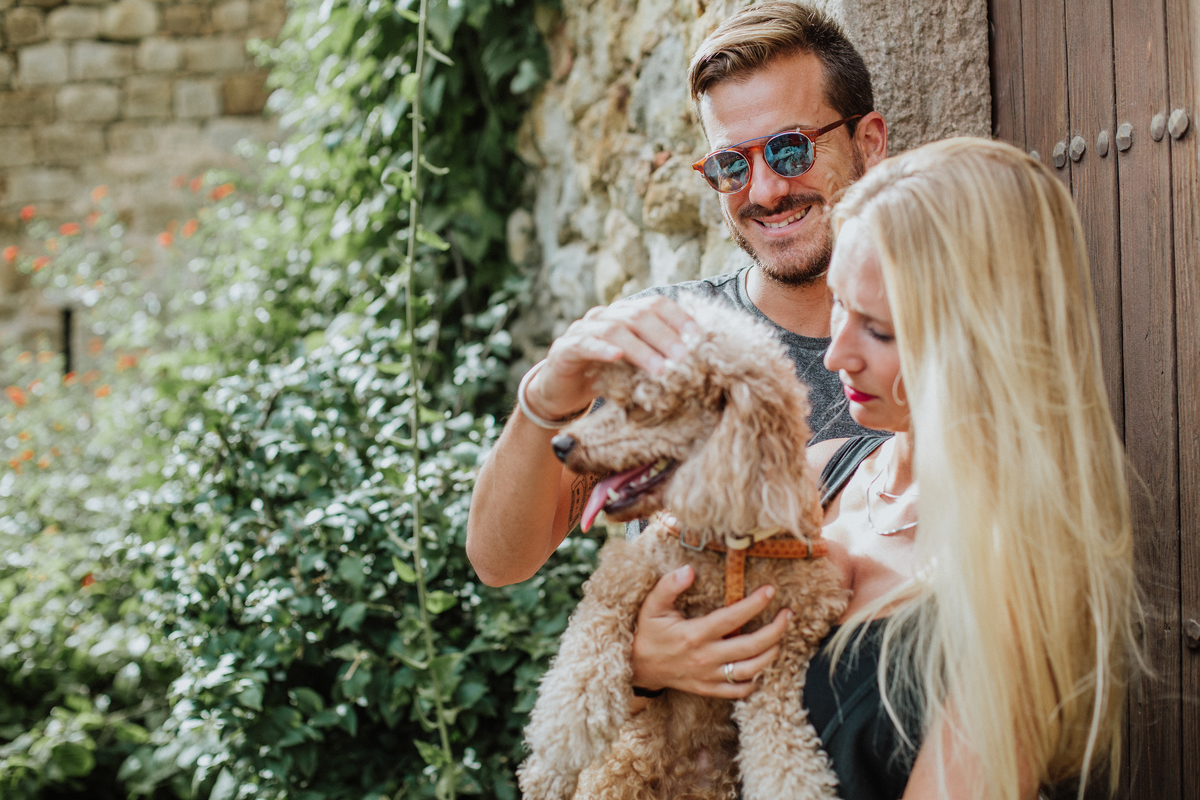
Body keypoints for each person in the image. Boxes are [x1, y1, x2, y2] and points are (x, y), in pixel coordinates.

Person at [628, 138, 1142, 798]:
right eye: (840, 304)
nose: (836, 355)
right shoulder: (820, 477)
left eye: (880, 330)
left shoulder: (1018, 589)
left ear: (982, 340)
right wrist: (644, 667)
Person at [467, 1, 888, 588]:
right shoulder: (664, 337)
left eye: (791, 148)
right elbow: (501, 561)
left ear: (868, 142)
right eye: (731, 165)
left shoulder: (951, 331)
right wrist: (544, 398)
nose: (764, 191)